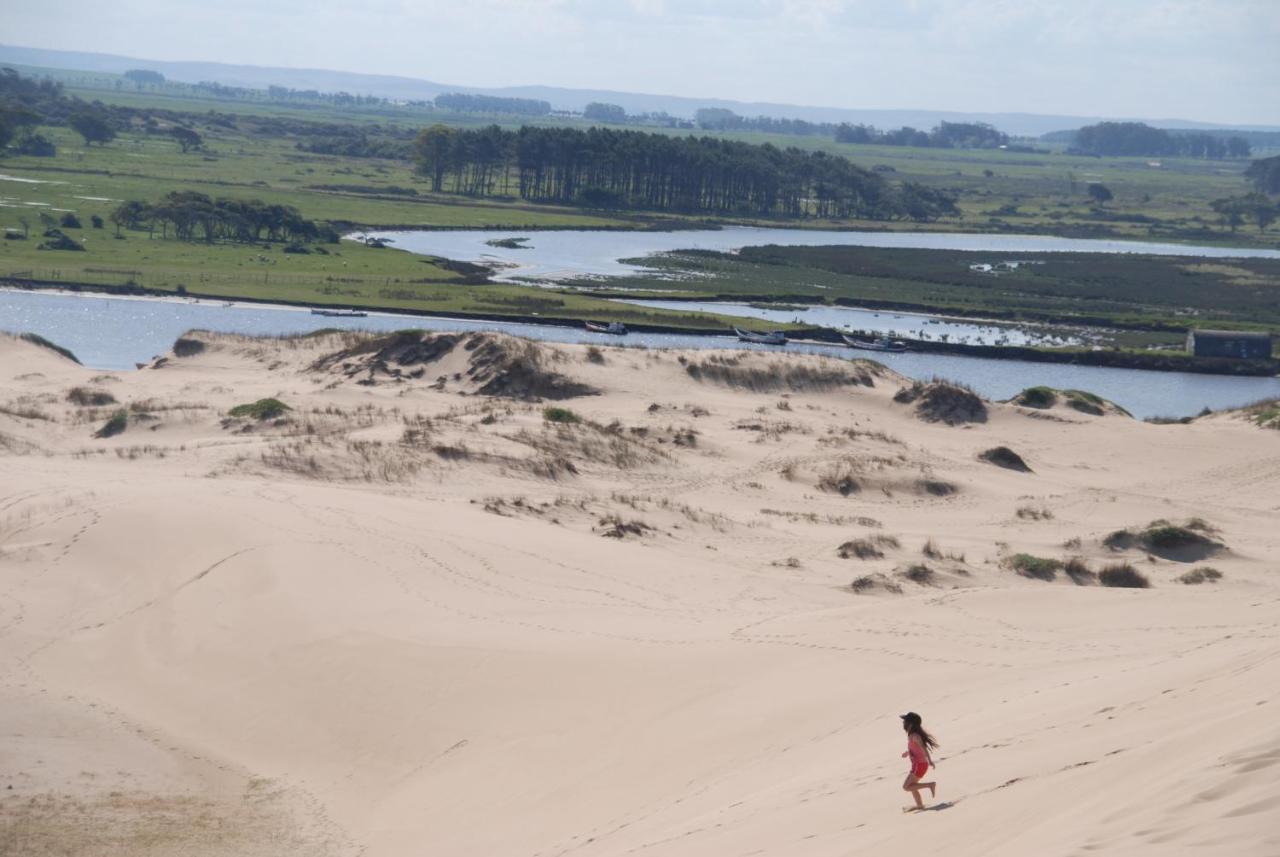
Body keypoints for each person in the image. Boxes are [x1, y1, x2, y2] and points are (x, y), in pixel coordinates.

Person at [900, 711, 938, 811]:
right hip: (918, 765)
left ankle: (930, 785)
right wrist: (907, 753)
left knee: (906, 787)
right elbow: (915, 749)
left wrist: (929, 760)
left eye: (905, 721)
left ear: (911, 724)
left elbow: (923, 748)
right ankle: (919, 805)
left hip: (920, 765)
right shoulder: (912, 735)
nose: (903, 723)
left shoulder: (915, 736)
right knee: (913, 786)